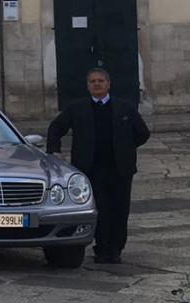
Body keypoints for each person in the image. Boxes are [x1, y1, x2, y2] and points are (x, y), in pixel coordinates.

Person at [47, 67, 150, 264]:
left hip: (120, 169)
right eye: (93, 81)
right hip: (91, 168)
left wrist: (125, 148)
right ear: (88, 86)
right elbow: (56, 127)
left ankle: (116, 248)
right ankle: (101, 248)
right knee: (99, 208)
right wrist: (54, 151)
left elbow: (142, 133)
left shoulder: (125, 107)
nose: (97, 84)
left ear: (108, 84)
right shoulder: (77, 108)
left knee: (120, 209)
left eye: (100, 81)